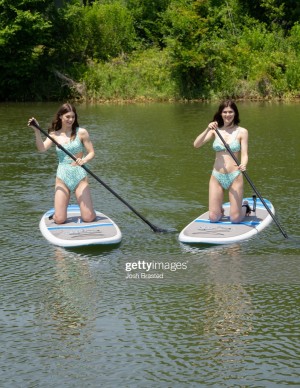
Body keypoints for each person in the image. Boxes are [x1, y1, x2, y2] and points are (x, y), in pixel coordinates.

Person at [28, 103, 96, 224]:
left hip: (79, 175)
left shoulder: (81, 132)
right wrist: (37, 131)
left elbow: (91, 153)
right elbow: (42, 148)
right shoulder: (54, 134)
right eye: (67, 117)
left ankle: (88, 210)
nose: (71, 120)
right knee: (59, 219)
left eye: (73, 117)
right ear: (60, 117)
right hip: (62, 176)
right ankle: (56, 214)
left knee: (89, 218)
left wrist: (84, 160)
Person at [193, 100, 250, 223]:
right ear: (220, 113)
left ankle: (245, 207)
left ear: (235, 113)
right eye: (225, 112)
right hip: (217, 176)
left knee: (235, 219)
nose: (227, 115)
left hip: (235, 176)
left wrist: (243, 164)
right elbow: (196, 144)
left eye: (230, 112)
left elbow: (245, 155)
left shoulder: (242, 132)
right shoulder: (215, 130)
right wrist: (207, 129)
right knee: (213, 217)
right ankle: (220, 210)